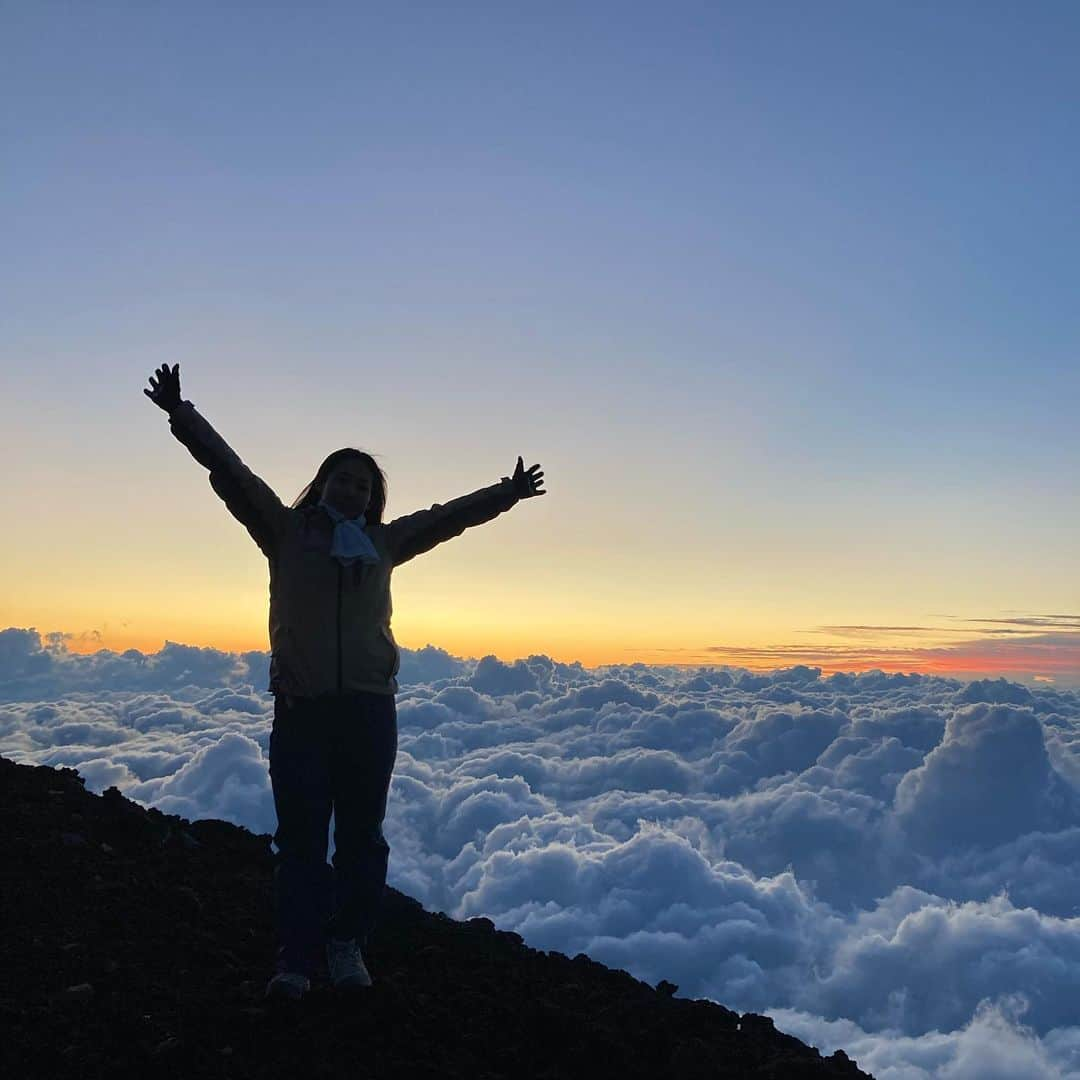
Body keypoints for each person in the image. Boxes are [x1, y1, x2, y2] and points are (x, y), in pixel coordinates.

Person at [143, 363, 545, 1001]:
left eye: (363, 484)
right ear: (322, 483)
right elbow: (231, 473)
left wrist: (507, 492)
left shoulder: (383, 544)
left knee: (362, 838)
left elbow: (447, 518)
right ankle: (296, 958)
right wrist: (181, 414)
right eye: (343, 479)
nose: (353, 491)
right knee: (301, 841)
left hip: (367, 711)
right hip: (301, 711)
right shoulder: (284, 533)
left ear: (373, 496)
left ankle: (346, 943)